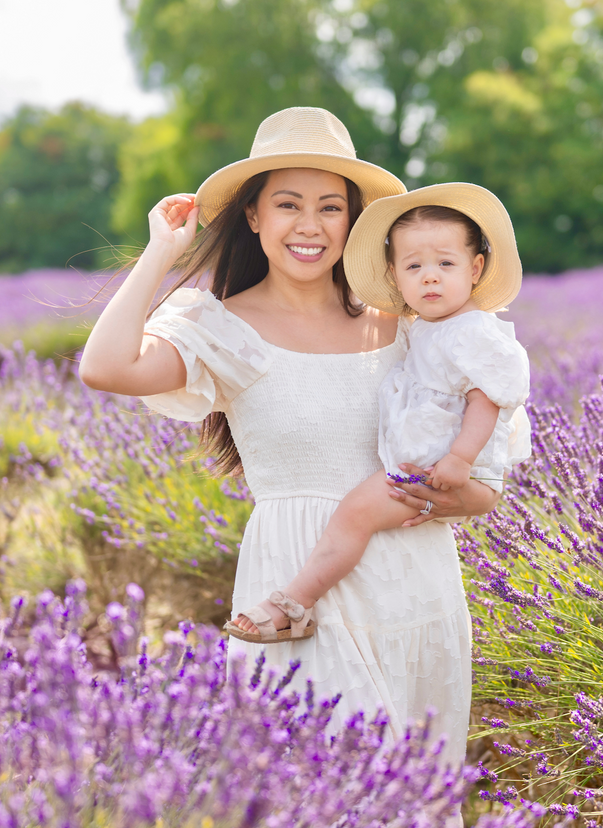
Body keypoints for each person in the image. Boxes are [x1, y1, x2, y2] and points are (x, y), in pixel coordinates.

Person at [77, 107, 501, 770]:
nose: (310, 225)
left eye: (331, 207)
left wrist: (446, 493)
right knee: (317, 789)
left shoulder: (407, 325)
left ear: (354, 221)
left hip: (415, 591)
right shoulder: (223, 329)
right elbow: (105, 368)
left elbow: (484, 471)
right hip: (295, 598)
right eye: (288, 204)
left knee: (412, 796)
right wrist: (161, 252)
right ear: (253, 216)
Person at [225, 184, 530, 646]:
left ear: (476, 268)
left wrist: (461, 460)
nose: (430, 278)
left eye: (446, 265)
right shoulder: (427, 327)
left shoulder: (473, 332)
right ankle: (296, 602)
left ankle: (293, 604)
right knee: (355, 515)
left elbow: (488, 401)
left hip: (447, 467)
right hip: (432, 463)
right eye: (414, 267)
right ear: (395, 275)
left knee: (355, 513)